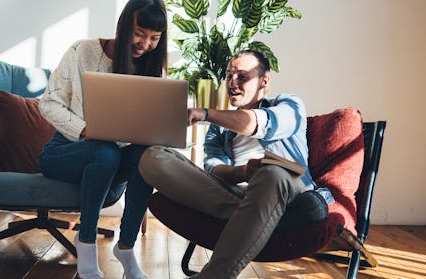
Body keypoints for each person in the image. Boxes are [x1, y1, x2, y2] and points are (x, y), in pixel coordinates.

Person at [139, 49, 334, 279]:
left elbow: (258, 124)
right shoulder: (220, 129)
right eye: (229, 75)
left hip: (291, 190)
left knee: (271, 173)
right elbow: (213, 169)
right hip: (237, 194)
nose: (232, 83)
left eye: (242, 76)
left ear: (264, 80)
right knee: (153, 157)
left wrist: (206, 113)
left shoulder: (289, 104)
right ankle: (255, 215)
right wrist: (243, 171)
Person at [38, 1, 167, 278]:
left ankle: (126, 247)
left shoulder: (151, 68)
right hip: (65, 152)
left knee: (146, 157)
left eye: (154, 38)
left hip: (112, 157)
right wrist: (86, 130)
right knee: (104, 150)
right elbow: (48, 104)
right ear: (123, 26)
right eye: (140, 33)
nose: (145, 44)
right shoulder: (83, 51)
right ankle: (85, 242)